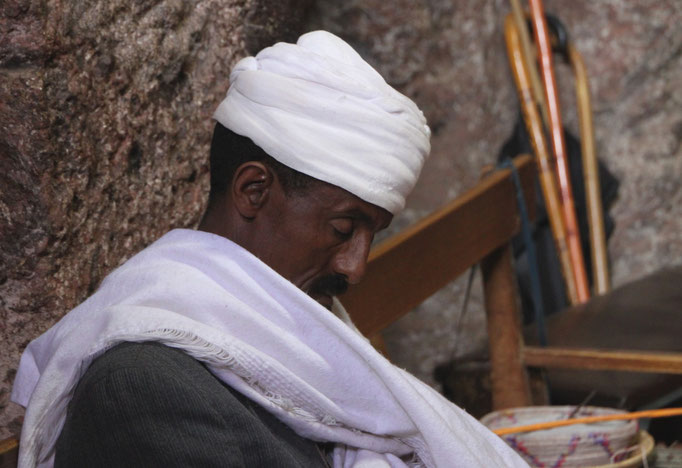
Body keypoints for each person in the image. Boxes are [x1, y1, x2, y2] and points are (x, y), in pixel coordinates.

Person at [11, 31, 529, 467]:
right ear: (253, 191)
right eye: (344, 228)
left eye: (373, 235)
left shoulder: (287, 338)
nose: (355, 267)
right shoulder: (143, 392)